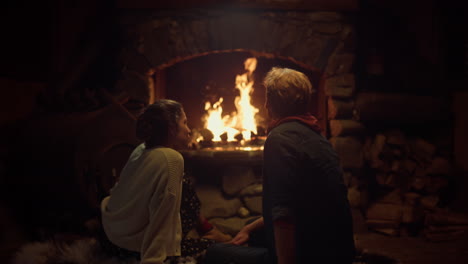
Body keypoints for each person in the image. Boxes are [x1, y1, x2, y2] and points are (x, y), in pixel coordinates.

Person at [207, 68, 355, 264]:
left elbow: (283, 212)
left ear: (269, 103)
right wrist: (249, 229)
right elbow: (302, 202)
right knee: (252, 227)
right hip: (338, 249)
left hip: (310, 255)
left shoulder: (279, 138)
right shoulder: (318, 137)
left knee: (214, 254)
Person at [99, 99, 231, 264]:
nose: (189, 130)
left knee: (182, 183)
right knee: (221, 251)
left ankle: (208, 229)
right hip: (134, 247)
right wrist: (154, 259)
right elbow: (162, 213)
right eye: (184, 123)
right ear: (171, 129)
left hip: (110, 236)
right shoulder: (171, 159)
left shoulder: (141, 149)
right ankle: (210, 234)